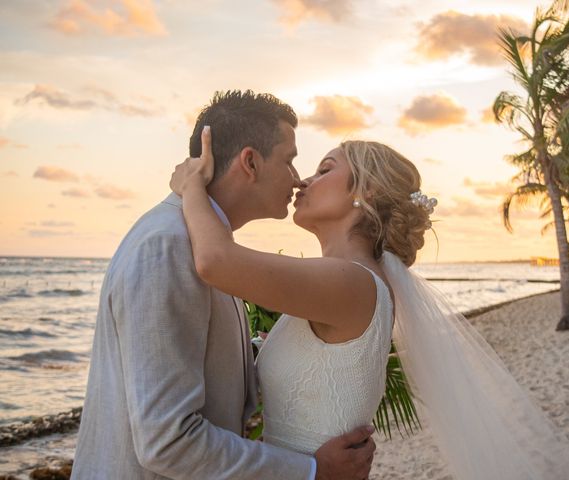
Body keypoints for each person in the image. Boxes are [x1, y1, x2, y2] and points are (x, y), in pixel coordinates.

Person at [170, 125, 569, 479]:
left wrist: (191, 189)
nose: (303, 181)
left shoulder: (351, 282)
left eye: (324, 170)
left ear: (367, 190)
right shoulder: (346, 281)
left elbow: (214, 260)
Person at [71, 90, 375, 480]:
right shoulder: (168, 247)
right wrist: (311, 471)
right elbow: (168, 441)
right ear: (250, 162)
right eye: (289, 161)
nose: (298, 179)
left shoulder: (207, 246)